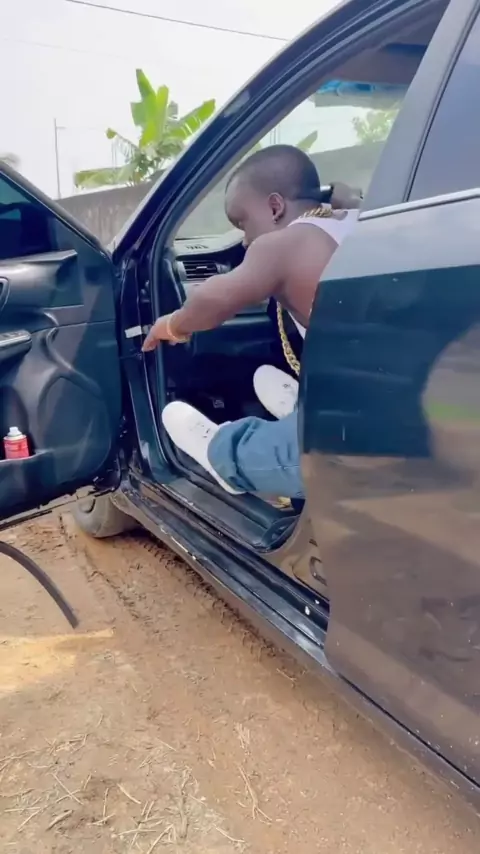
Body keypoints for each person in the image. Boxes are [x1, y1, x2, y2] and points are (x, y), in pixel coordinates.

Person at [142, 145, 361, 497]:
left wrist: (172, 325)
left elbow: (212, 300)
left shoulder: (280, 245)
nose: (244, 239)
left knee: (296, 454)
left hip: (366, 418)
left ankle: (224, 453)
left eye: (242, 223)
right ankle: (301, 410)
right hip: (378, 378)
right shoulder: (362, 216)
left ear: (275, 207)